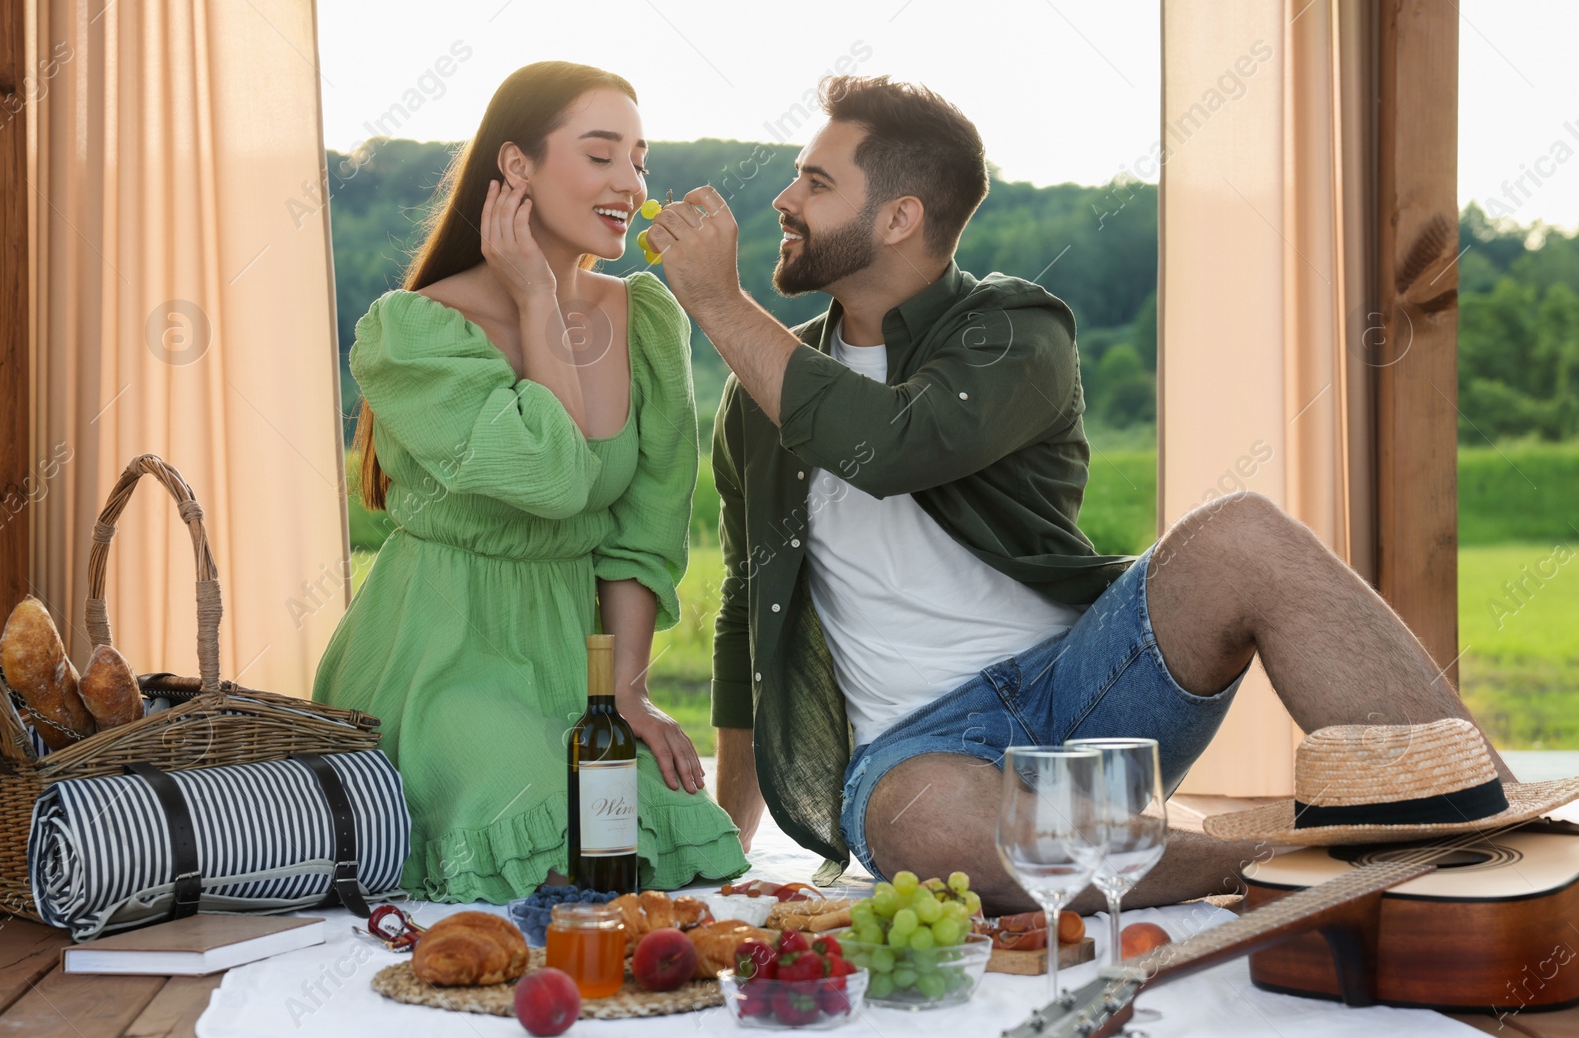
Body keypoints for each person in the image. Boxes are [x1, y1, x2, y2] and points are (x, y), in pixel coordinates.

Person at [636, 73, 1518, 914]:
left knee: (1240, 531)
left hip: (1089, 694)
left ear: (899, 216)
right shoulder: (757, 396)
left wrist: (717, 301)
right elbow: (749, 615)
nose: (784, 201)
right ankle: (1284, 862)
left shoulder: (1016, 328)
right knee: (925, 823)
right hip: (922, 754)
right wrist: (733, 844)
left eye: (815, 182)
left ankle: (1492, 825)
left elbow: (892, 443)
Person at [313, 60, 748, 904]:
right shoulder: (416, 333)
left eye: (640, 158)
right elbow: (552, 477)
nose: (631, 182)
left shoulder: (646, 320)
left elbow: (644, 531)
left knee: (660, 844)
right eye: (601, 155)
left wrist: (627, 696)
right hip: (445, 654)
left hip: (576, 663)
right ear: (516, 167)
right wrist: (539, 303)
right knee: (555, 842)